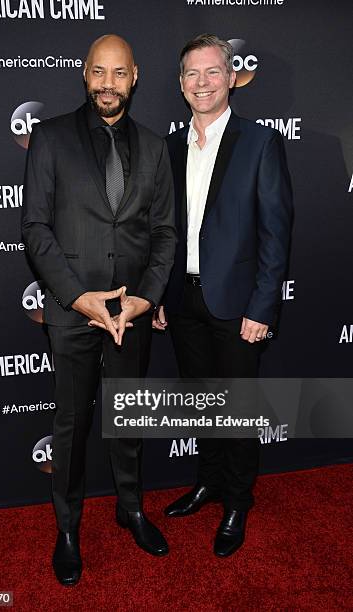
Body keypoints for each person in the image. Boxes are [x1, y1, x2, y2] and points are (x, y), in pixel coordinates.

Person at [22, 34, 176, 586]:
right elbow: (34, 228)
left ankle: (131, 508)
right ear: (84, 75)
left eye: (118, 73)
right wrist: (75, 295)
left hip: (132, 312)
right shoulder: (50, 138)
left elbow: (163, 233)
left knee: (127, 413)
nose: (107, 84)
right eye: (97, 72)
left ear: (135, 77)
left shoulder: (158, 148)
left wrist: (146, 298)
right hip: (71, 312)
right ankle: (67, 528)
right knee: (73, 422)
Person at [153, 34, 292, 557]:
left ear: (232, 78)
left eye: (213, 72)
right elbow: (163, 230)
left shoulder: (259, 142)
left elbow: (277, 232)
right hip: (183, 300)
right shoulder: (168, 147)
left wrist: (263, 306)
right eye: (192, 74)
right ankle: (208, 482)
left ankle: (238, 499)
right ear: (180, 84)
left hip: (237, 306)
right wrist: (160, 294)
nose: (203, 83)